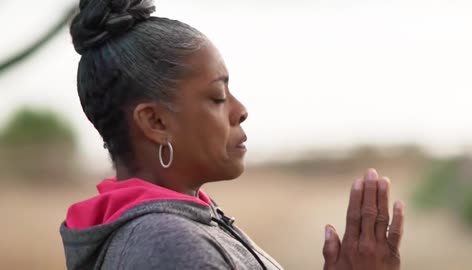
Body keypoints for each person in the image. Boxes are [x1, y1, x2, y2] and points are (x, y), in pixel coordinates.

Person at [59, 0, 405, 269]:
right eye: (218, 97)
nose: (240, 110)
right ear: (156, 122)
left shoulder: (179, 225)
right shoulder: (170, 245)